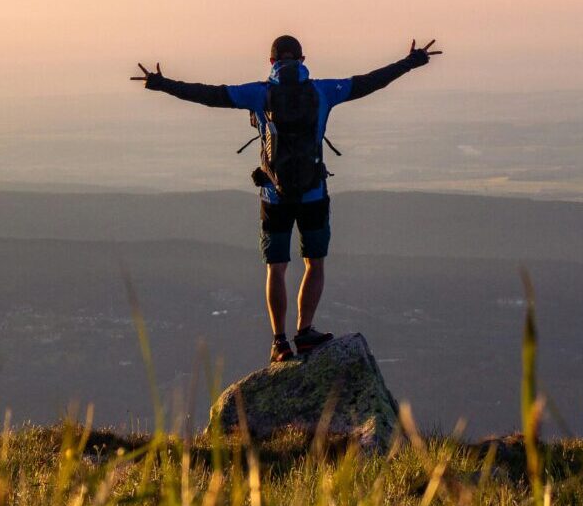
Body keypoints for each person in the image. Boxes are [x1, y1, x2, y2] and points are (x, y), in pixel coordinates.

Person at [133, 35, 441, 362]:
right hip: (313, 194)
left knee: (276, 269)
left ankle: (279, 342)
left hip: (273, 196)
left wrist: (161, 84)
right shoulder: (323, 90)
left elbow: (210, 95)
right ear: (303, 59)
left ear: (271, 62)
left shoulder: (259, 93)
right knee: (314, 263)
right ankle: (305, 331)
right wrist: (411, 61)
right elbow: (370, 82)